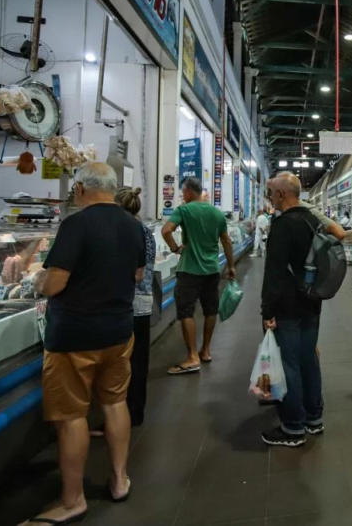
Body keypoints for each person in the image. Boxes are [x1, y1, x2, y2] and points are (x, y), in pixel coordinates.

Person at [27, 163, 146, 525]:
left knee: (71, 416)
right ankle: (120, 479)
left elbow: (55, 284)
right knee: (114, 402)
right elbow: (138, 274)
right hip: (119, 331)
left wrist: (37, 278)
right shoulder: (134, 226)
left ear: (79, 189)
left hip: (74, 337)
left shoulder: (76, 224)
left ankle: (73, 500)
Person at [261, 172, 324, 447]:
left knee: (289, 365)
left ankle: (293, 427)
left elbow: (274, 273)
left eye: (272, 192)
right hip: (312, 302)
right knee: (308, 359)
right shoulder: (314, 221)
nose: (270, 197)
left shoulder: (283, 226)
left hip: (287, 306)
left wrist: (267, 311)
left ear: (282, 194)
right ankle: (314, 418)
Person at [161, 177, 236, 375]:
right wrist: (231, 266)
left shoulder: (183, 210)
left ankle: (192, 356)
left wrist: (175, 248)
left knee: (186, 311)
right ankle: (206, 350)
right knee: (210, 309)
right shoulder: (216, 213)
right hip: (212, 270)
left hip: (189, 269)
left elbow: (166, 230)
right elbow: (226, 241)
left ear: (187, 191)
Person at [114, 186, 155, 427]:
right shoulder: (146, 231)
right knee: (139, 361)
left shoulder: (126, 230)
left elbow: (135, 274)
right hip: (144, 302)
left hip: (127, 302)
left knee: (122, 363)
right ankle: (136, 411)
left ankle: (122, 414)